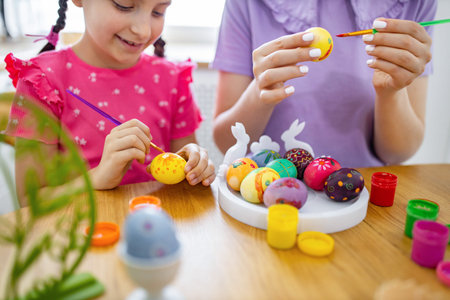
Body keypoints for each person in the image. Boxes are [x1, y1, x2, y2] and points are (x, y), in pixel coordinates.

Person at [4, 0, 216, 204]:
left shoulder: (173, 79)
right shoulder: (41, 81)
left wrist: (194, 167)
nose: (143, 30)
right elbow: (30, 201)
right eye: (124, 5)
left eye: (158, 12)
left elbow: (184, 171)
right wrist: (96, 178)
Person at [212, 0, 437, 167]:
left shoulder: (415, 4)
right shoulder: (247, 4)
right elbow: (225, 142)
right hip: (265, 192)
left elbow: (398, 154)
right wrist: (260, 91)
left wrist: (391, 93)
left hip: (360, 199)